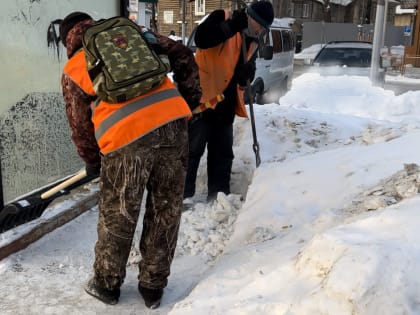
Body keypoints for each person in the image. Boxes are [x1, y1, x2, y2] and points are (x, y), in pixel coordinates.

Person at [59, 12, 201, 308]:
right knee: (166, 210)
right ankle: (153, 286)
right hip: (173, 125)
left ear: (68, 41)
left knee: (119, 213)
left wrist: (92, 159)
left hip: (126, 139)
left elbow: (80, 124)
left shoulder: (74, 66)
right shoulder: (132, 36)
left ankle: (106, 285)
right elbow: (183, 52)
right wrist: (188, 103)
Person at [183, 1, 274, 202]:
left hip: (225, 104)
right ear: (250, 16)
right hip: (202, 98)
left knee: (222, 154)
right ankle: (183, 196)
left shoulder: (254, 40)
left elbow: (242, 73)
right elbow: (202, 38)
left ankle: (218, 196)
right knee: (192, 151)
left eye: (263, 27)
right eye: (258, 23)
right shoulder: (222, 17)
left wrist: (245, 76)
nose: (259, 29)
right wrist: (232, 26)